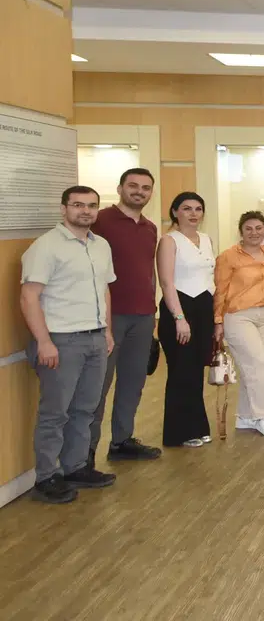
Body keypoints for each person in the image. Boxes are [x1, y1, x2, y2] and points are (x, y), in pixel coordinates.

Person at [20, 186, 118, 504]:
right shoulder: (46, 246)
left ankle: (75, 467)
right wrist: (44, 341)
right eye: (78, 205)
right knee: (55, 413)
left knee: (85, 409)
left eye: (91, 205)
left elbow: (104, 290)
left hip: (95, 337)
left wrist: (107, 331)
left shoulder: (101, 245)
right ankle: (47, 477)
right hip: (61, 340)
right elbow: (29, 297)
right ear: (64, 209)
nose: (85, 211)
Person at [87, 168, 161, 467]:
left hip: (143, 316)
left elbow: (148, 271)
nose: (139, 191)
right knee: (98, 385)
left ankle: (121, 441)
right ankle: (84, 453)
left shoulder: (150, 227)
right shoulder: (100, 220)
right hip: (109, 316)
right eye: (133, 186)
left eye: (145, 187)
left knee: (133, 382)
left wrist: (153, 310)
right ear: (120, 189)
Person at [213, 211, 264, 437]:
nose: (254, 233)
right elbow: (220, 291)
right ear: (241, 232)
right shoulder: (228, 256)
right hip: (238, 317)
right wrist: (217, 321)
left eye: (258, 228)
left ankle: (246, 416)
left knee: (254, 367)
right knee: (258, 365)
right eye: (249, 229)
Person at [156, 192, 215, 448]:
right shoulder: (169, 240)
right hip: (179, 309)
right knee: (181, 371)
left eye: (198, 209)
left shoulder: (206, 239)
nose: (193, 214)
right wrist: (179, 318)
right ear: (175, 212)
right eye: (187, 208)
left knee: (196, 370)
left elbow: (210, 278)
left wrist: (217, 319)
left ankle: (198, 426)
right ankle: (178, 433)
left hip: (204, 308)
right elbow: (166, 282)